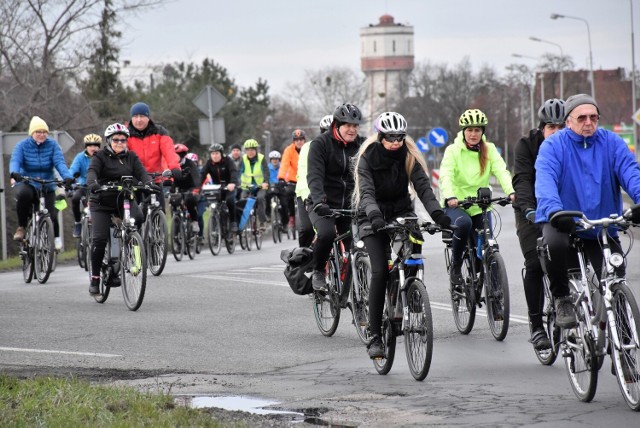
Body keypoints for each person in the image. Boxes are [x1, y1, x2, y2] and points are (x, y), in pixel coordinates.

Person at [534, 94, 640, 328]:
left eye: (593, 117)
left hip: (600, 222)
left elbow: (631, 173)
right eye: (582, 118)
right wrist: (554, 211)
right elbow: (545, 181)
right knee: (554, 245)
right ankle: (562, 298)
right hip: (562, 219)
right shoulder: (553, 146)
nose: (588, 122)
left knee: (615, 272)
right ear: (569, 121)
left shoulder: (611, 143)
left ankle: (622, 341)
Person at [353, 111, 452, 359]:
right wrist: (374, 215)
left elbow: (424, 191)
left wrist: (438, 215)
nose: (396, 142)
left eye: (400, 137)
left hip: (400, 212)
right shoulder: (367, 158)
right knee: (380, 270)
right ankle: (375, 336)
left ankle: (409, 295)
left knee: (414, 244)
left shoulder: (408, 158)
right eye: (390, 138)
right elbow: (365, 193)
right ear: (380, 137)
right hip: (371, 215)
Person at [439, 108, 515, 287]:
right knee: (464, 224)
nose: (474, 134)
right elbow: (446, 176)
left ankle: (497, 302)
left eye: (477, 130)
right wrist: (450, 196)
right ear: (463, 132)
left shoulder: (489, 150)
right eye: (470, 130)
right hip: (457, 204)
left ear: (483, 132)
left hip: (481, 204)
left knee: (489, 248)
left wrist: (511, 191)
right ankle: (456, 265)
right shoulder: (453, 151)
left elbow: (501, 171)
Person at [512, 98, 565, 350]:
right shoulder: (526, 146)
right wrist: (528, 209)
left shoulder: (571, 146)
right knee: (535, 262)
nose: (556, 132)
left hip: (563, 211)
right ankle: (536, 326)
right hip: (530, 210)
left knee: (567, 260)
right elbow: (522, 180)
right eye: (551, 127)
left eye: (560, 127)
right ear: (542, 128)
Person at [86, 123, 152, 295]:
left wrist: (148, 184)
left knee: (137, 218)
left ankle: (133, 256)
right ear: (109, 141)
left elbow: (141, 173)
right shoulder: (100, 156)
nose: (120, 143)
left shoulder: (131, 157)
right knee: (99, 239)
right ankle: (95, 278)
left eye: (123, 140)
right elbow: (92, 172)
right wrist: (93, 184)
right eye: (116, 140)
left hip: (124, 200)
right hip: (101, 201)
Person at [307, 103, 365, 291]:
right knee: (327, 234)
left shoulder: (362, 146)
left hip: (351, 206)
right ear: (337, 125)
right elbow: (314, 176)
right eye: (348, 125)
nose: (352, 130)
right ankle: (318, 270)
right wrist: (319, 201)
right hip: (323, 205)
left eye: (355, 126)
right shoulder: (320, 144)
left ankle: (361, 290)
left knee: (360, 244)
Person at [9, 116, 74, 250]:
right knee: (24, 195)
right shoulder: (22, 146)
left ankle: (47, 242)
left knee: (50, 215)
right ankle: (22, 227)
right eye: (38, 132)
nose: (42, 134)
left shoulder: (53, 145)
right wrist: (15, 173)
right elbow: (15, 161)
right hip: (27, 182)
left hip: (47, 184)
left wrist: (67, 177)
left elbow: (60, 163)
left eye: (44, 132)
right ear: (32, 133)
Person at [295, 115, 332, 247]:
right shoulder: (309, 147)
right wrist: (308, 198)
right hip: (308, 193)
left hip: (332, 195)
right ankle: (303, 260)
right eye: (325, 132)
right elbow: (306, 174)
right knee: (307, 229)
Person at [126, 102, 181, 184]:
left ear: (148, 118)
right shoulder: (125, 134)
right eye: (135, 116)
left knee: (159, 196)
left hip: (155, 179)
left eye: (142, 116)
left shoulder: (159, 132)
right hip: (134, 180)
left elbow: (169, 151)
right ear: (131, 118)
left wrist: (175, 168)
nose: (139, 119)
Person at [69, 133, 103, 237]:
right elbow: (73, 169)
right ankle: (78, 223)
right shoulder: (80, 157)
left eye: (95, 145)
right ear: (86, 147)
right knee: (75, 198)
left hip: (98, 187)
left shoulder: (103, 157)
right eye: (90, 145)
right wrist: (70, 178)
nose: (93, 148)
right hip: (84, 186)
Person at [200, 143, 239, 232]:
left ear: (221, 153)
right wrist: (198, 186)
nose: (215, 156)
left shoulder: (228, 161)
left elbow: (233, 171)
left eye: (217, 153)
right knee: (214, 205)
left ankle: (233, 222)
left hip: (229, 187)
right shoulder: (209, 163)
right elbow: (202, 175)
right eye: (213, 154)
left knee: (230, 201)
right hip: (217, 189)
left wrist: (232, 183)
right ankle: (215, 226)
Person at [278, 129, 306, 229]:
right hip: (292, 179)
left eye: (301, 139)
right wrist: (281, 178)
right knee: (288, 196)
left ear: (304, 140)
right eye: (296, 139)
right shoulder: (289, 150)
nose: (299, 141)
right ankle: (291, 217)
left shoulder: (309, 148)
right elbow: (284, 164)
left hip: (306, 179)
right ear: (293, 141)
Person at [239, 138, 269, 230]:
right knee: (242, 201)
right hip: (246, 187)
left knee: (260, 199)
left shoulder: (261, 158)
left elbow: (266, 171)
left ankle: (262, 222)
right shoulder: (243, 159)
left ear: (256, 150)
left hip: (260, 186)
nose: (250, 152)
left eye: (252, 149)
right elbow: (238, 172)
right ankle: (241, 224)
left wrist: (265, 182)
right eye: (248, 150)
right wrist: (236, 182)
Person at [172, 143, 202, 233]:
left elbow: (196, 176)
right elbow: (168, 177)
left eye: (175, 155)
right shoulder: (172, 164)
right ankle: (176, 229)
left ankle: (194, 221)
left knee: (189, 201)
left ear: (182, 155)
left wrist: (196, 188)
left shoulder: (190, 163)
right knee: (173, 201)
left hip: (190, 187)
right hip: (177, 187)